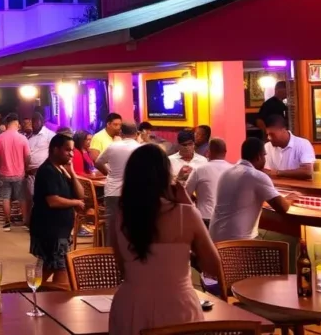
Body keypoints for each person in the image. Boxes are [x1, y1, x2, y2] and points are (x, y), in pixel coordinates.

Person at [109, 144, 222, 335]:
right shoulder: (185, 214)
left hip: (131, 304)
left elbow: (123, 269)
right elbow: (213, 266)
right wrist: (188, 204)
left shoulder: (119, 217)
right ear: (166, 176)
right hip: (177, 306)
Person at [209, 137, 300, 243]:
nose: (265, 160)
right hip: (238, 243)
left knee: (264, 231)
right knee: (292, 239)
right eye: (264, 156)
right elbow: (283, 208)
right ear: (258, 156)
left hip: (214, 238)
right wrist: (290, 199)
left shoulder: (227, 173)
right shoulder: (256, 176)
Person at [30, 134, 86, 283]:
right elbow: (53, 201)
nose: (72, 154)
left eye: (72, 150)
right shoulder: (47, 171)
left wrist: (72, 173)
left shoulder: (61, 170)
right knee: (61, 269)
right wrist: (75, 203)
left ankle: (31, 292)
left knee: (49, 268)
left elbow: (81, 194)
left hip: (60, 231)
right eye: (67, 150)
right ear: (55, 149)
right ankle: (54, 300)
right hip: (50, 231)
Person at [95, 122, 140, 244]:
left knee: (112, 225)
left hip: (113, 191)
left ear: (121, 132)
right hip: (133, 193)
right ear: (136, 134)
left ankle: (110, 256)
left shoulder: (113, 146)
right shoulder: (140, 148)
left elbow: (98, 162)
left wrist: (108, 172)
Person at [0, 114, 31, 232]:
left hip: (4, 173)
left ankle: (7, 223)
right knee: (22, 198)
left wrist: (0, 165)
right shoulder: (23, 138)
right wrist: (25, 167)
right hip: (19, 173)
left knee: (5, 197)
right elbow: (28, 157)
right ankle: (24, 221)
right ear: (16, 123)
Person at [184, 138, 233, 228]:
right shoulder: (234, 170)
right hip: (227, 218)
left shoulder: (199, 170)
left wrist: (194, 199)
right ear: (225, 152)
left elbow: (185, 194)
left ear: (209, 151)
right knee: (223, 243)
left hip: (205, 217)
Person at [263, 115, 316, 180]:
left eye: (272, 134)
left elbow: (308, 172)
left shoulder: (303, 144)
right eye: (267, 134)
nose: (269, 138)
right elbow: (264, 171)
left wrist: (278, 173)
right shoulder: (267, 147)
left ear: (283, 130)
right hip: (276, 188)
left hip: (299, 188)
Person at [25, 112, 54, 225]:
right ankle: (33, 221)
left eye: (36, 121)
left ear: (42, 122)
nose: (34, 123)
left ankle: (43, 222)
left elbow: (54, 152)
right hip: (30, 172)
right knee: (32, 197)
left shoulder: (49, 135)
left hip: (43, 171)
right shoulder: (30, 136)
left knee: (43, 196)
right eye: (33, 121)